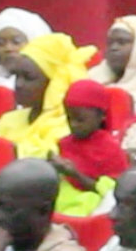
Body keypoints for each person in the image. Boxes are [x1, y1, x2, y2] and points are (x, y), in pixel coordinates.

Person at [0, 32, 95, 161]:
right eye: (17, 76)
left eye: (28, 78)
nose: (19, 84)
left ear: (53, 82)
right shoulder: (8, 120)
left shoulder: (68, 124)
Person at [44, 78, 128, 216]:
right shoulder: (65, 143)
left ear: (101, 116)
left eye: (80, 120)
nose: (73, 124)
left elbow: (111, 193)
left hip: (92, 205)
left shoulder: (110, 148)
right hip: (63, 200)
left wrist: (75, 174)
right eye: (69, 118)